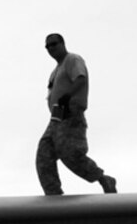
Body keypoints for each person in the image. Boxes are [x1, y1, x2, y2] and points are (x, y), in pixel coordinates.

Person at [35, 32, 117, 196]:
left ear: (63, 44)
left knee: (70, 154)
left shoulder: (72, 60)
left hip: (71, 114)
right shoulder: (55, 70)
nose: (50, 48)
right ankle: (53, 195)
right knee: (44, 154)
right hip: (57, 118)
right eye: (47, 46)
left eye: (54, 44)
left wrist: (68, 95)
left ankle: (103, 179)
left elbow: (81, 78)